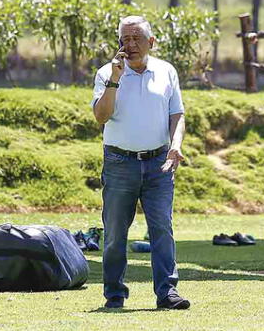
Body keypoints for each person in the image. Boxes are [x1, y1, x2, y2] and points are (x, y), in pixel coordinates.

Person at [90, 16, 189, 310]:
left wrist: (176, 145)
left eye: (136, 39)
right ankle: (114, 294)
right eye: (125, 39)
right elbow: (101, 116)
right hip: (120, 162)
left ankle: (167, 293)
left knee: (162, 228)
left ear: (151, 42)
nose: (130, 45)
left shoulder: (166, 71)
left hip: (160, 161)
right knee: (115, 231)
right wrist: (115, 79)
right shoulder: (107, 73)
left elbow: (177, 114)